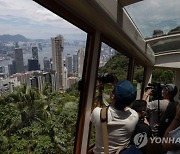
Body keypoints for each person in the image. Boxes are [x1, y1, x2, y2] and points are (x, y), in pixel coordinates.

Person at [91, 80, 139, 154]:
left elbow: (101, 109)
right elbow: (127, 108)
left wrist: (100, 92)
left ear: (112, 96)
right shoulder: (134, 117)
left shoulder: (98, 113)